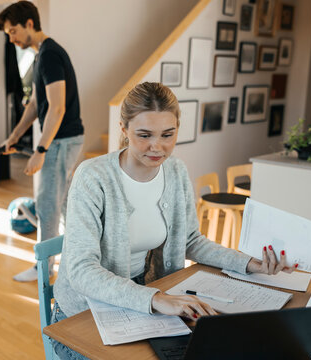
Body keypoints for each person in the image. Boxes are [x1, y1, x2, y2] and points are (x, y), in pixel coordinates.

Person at [51, 82, 297, 359]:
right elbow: (82, 270)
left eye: (167, 135)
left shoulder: (176, 171)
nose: (157, 147)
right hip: (83, 312)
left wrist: (249, 263)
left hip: (143, 295)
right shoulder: (93, 177)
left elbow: (191, 240)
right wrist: (155, 299)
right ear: (124, 129)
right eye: (144, 135)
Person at [0, 1, 84, 282]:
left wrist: (41, 149)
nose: (11, 38)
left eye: (13, 31)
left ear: (30, 24)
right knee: (67, 206)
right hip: (65, 139)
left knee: (47, 206)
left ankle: (43, 270)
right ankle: (78, 264)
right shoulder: (40, 56)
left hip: (60, 141)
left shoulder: (49, 55)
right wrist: (14, 135)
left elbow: (57, 108)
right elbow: (36, 104)